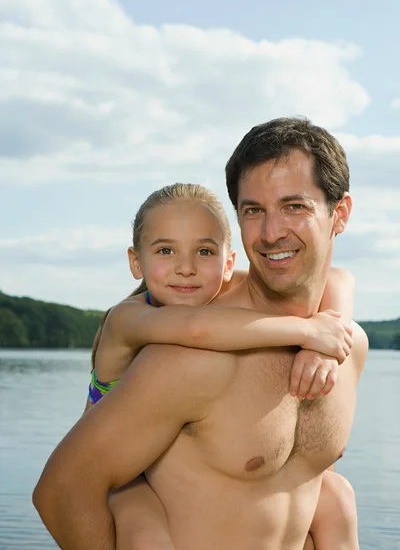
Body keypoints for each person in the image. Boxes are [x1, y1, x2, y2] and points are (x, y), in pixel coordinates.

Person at [33, 117, 368, 550]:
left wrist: (323, 337)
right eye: (252, 211)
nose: (270, 233)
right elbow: (61, 491)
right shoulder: (190, 358)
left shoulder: (347, 347)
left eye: (294, 206)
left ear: (338, 214)